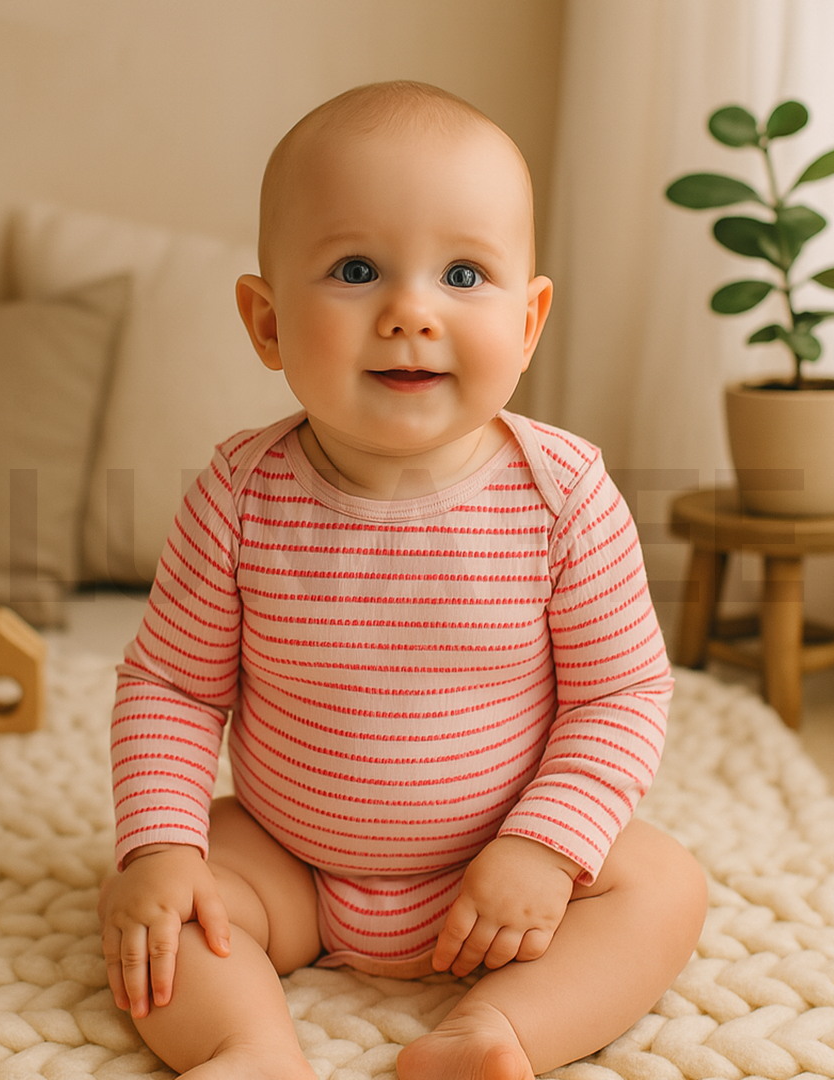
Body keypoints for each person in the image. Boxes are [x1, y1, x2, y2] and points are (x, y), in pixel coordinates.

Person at [98, 80, 708, 1080]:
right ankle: (248, 1046)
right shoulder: (239, 497)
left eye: (465, 274)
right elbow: (172, 687)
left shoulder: (565, 496)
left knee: (662, 885)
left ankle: (496, 1034)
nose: (410, 311)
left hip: (500, 875)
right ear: (266, 321)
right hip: (290, 865)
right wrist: (160, 850)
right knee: (159, 902)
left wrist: (548, 850)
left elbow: (621, 692)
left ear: (529, 320)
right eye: (355, 268)